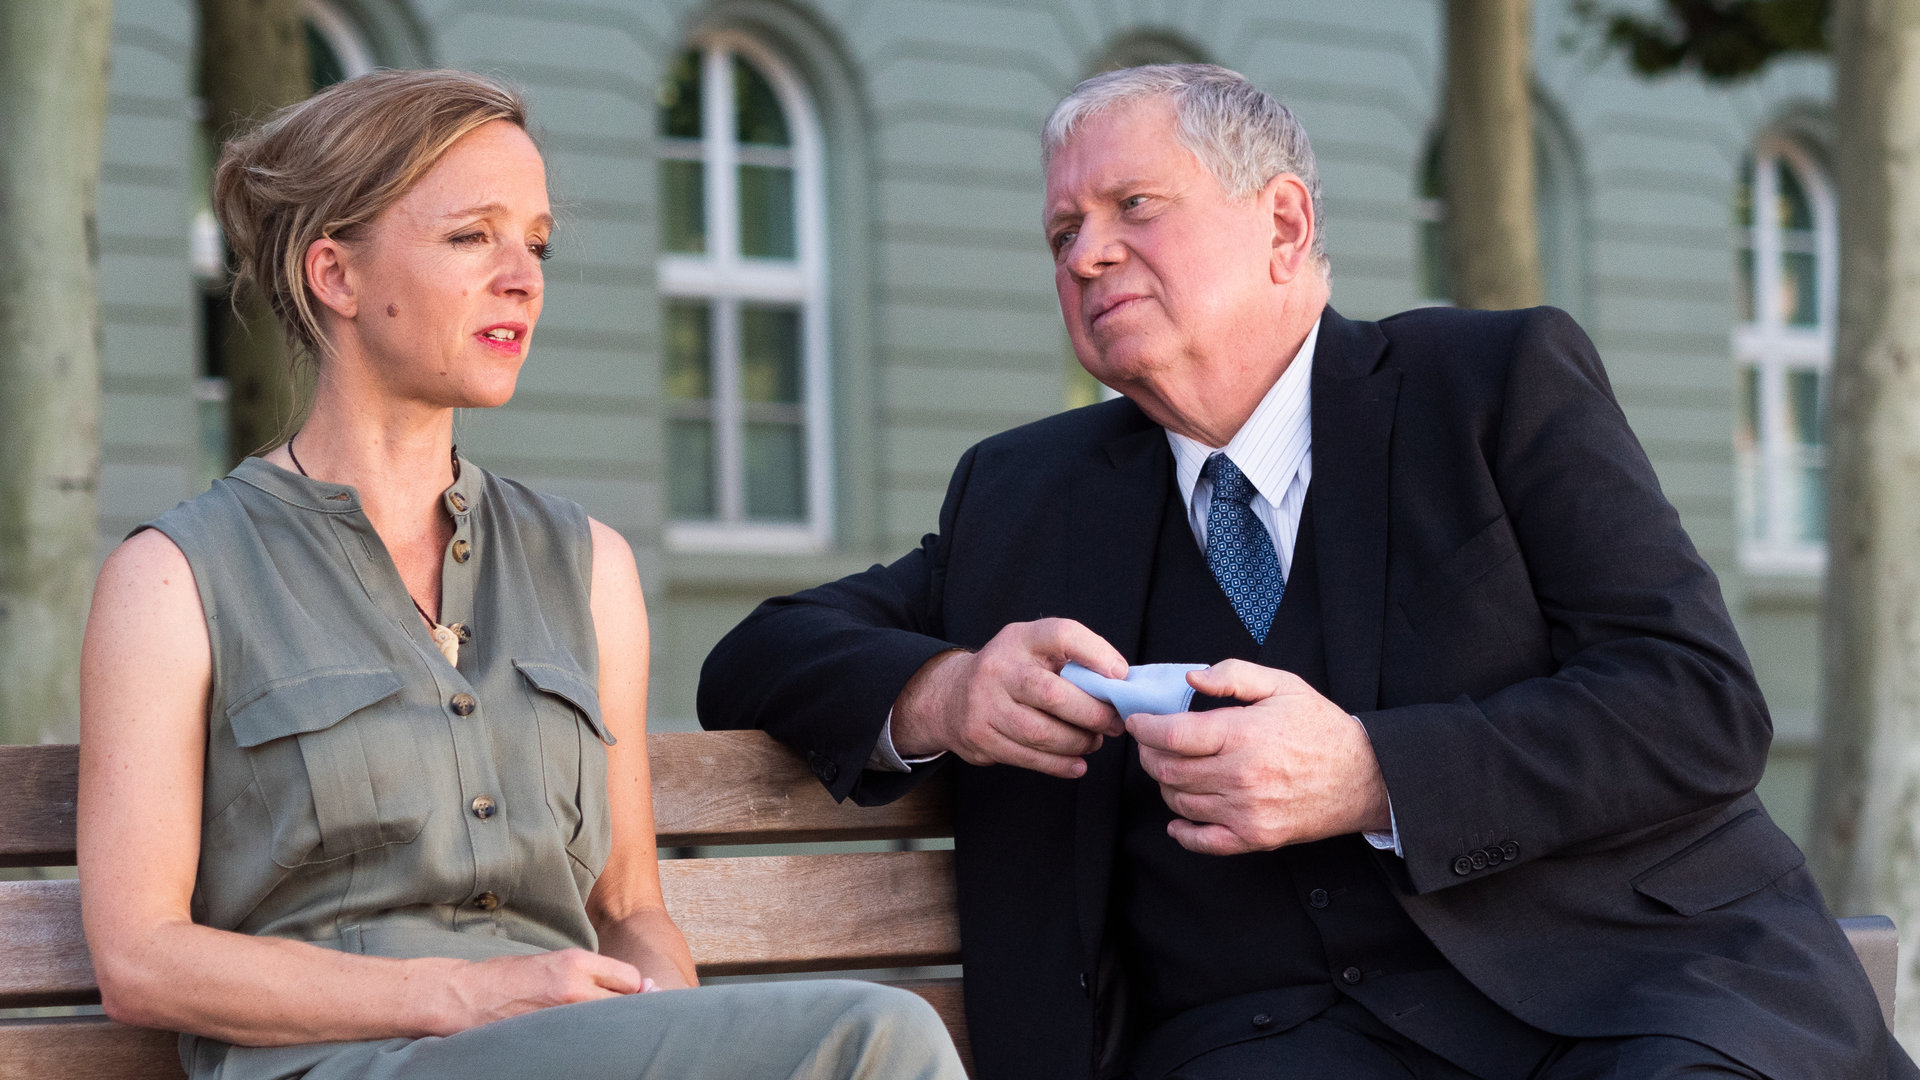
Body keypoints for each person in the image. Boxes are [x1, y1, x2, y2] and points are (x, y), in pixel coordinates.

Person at [698, 64, 1911, 1080]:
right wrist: (948, 692)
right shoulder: (1027, 496)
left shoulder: (1489, 388)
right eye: (1064, 231)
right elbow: (759, 655)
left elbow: (1697, 706)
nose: (1087, 254)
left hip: (1626, 999)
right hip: (1264, 1046)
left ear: (1282, 223)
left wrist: (1374, 775)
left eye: (1133, 207)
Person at [75, 69, 964, 1080]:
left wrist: (665, 1026)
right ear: (337, 275)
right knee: (876, 1038)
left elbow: (628, 909)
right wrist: (463, 996)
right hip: (341, 1064)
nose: (523, 277)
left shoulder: (589, 569)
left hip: (577, 1052)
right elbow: (141, 959)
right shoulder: (174, 580)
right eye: (471, 238)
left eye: (535, 244)